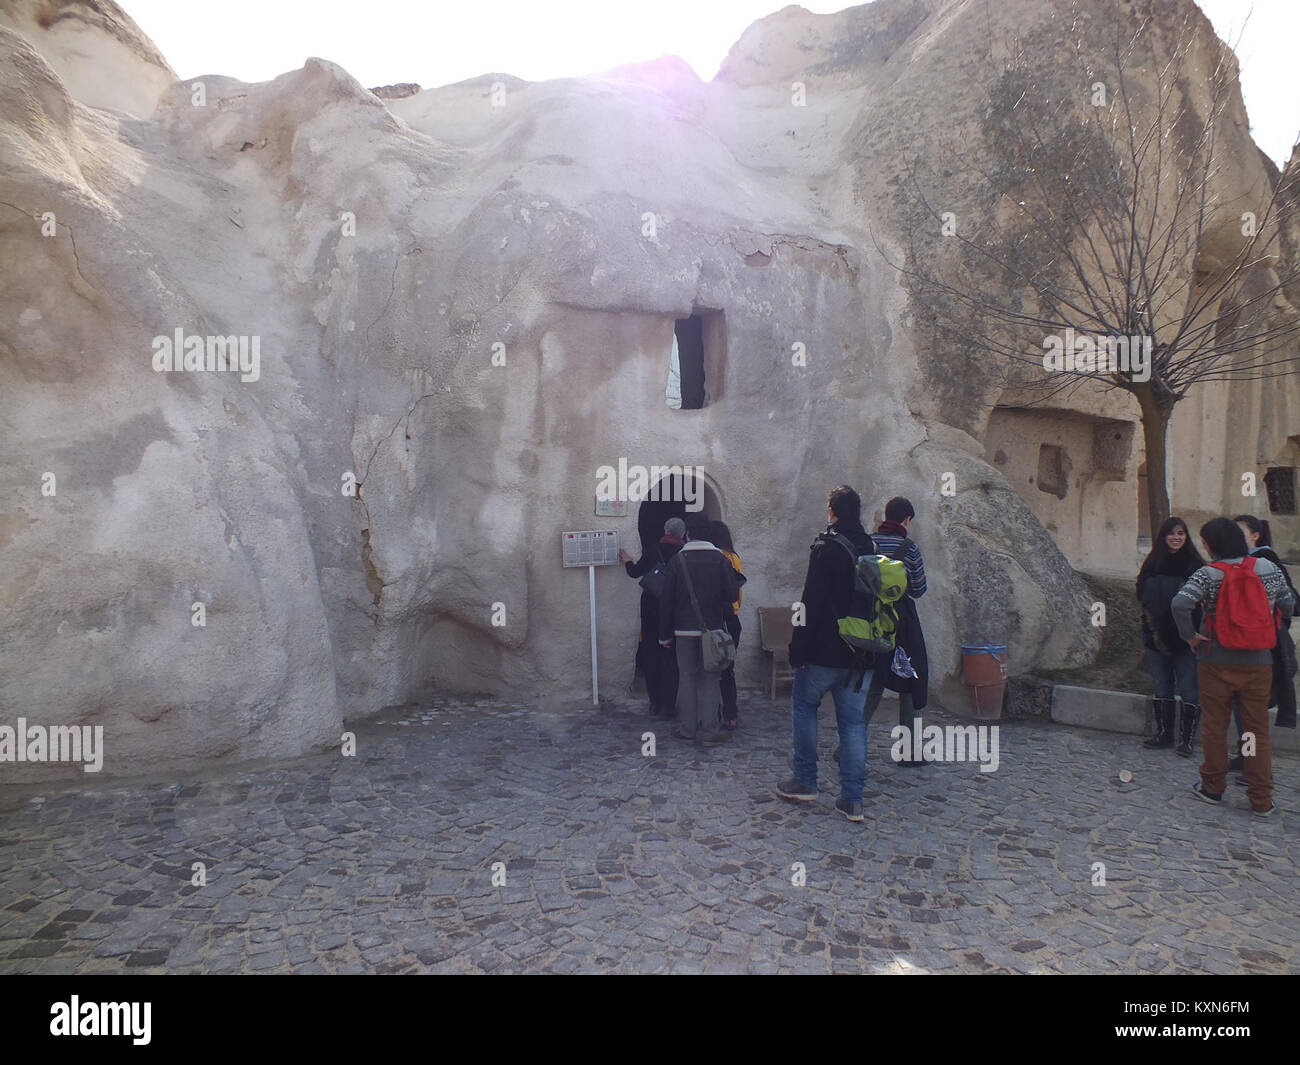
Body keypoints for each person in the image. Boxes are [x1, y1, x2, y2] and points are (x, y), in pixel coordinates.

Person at [1172, 517, 1294, 816]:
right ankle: (1261, 798)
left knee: (1215, 726)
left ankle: (1213, 788)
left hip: (1215, 659)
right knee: (1255, 732)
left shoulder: (1208, 573)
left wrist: (1190, 636)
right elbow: (1289, 602)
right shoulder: (1269, 569)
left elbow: (1179, 604)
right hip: (1259, 663)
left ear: (1212, 544)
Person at [776, 485, 876, 823]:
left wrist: (797, 646)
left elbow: (811, 602)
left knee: (804, 707)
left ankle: (805, 781)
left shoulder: (827, 547)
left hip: (822, 650)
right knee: (853, 725)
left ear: (832, 511)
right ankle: (853, 799)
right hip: (860, 652)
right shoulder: (870, 547)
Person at [657, 512, 738, 747]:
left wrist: (664, 635)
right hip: (712, 630)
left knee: (687, 678)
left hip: (683, 631)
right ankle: (710, 730)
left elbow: (666, 601)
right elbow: (732, 594)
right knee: (712, 678)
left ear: (687, 534)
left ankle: (687, 729)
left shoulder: (677, 561)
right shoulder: (721, 560)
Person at [862, 497, 930, 767]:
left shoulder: (868, 543)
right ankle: (909, 750)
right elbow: (918, 589)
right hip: (902, 622)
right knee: (913, 677)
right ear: (907, 520)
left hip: (870, 619)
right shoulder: (909, 548)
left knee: (873, 680)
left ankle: (848, 747)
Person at [1136, 517, 1205, 755]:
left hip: (1186, 639)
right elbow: (1141, 593)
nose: (1176, 538)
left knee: (1189, 687)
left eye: (1181, 533)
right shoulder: (1153, 562)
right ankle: (1164, 733)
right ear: (1163, 536)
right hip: (1155, 635)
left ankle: (1186, 740)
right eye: (1171, 533)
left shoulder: (1195, 564)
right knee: (1162, 686)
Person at [1235, 514, 1296, 731]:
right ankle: (1249, 756)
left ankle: (1250, 757)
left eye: (1240, 533)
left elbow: (1289, 600)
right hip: (1250, 641)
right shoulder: (1237, 561)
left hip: (1262, 641)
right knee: (1248, 703)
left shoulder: (1265, 560)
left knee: (1251, 705)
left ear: (1255, 536)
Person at [619, 517, 684, 719]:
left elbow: (634, 573)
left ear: (665, 530)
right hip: (674, 611)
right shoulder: (683, 554)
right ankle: (669, 705)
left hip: (651, 608)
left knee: (651, 656)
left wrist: (628, 560)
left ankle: (654, 702)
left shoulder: (652, 550)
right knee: (671, 659)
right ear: (682, 534)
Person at [712, 520, 745, 730]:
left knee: (712, 670)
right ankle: (731, 714)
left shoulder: (718, 558)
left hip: (719, 618)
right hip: (733, 618)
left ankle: (714, 712)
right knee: (728, 669)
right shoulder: (734, 557)